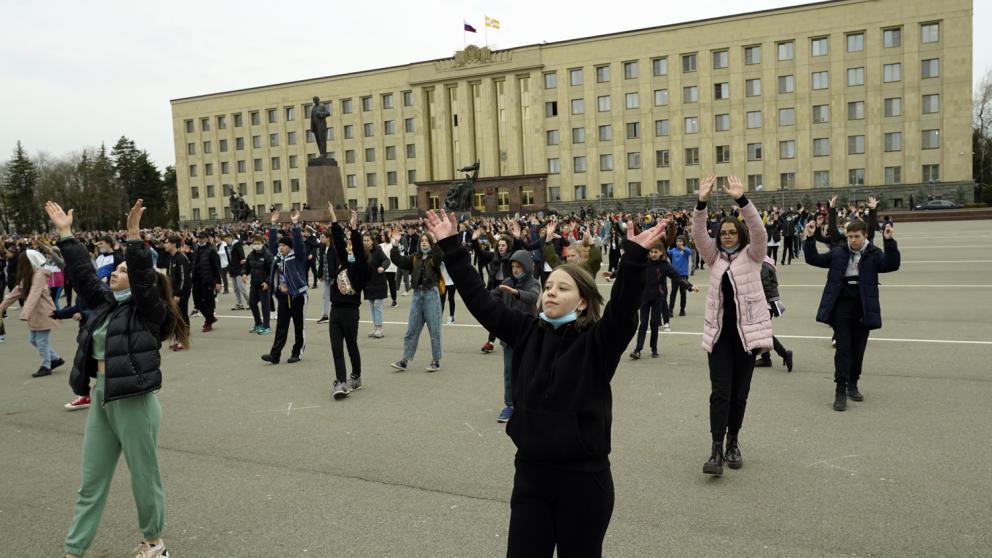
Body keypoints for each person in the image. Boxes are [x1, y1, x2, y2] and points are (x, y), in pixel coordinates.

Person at [426, 207, 667, 557]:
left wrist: (633, 259)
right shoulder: (525, 332)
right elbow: (480, 300)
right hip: (531, 476)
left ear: (582, 302)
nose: (551, 292)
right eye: (549, 286)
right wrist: (451, 245)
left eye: (563, 288)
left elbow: (624, 308)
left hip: (584, 481)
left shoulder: (598, 343)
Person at [47, 198, 189, 558]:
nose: (114, 271)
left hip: (135, 402)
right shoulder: (106, 303)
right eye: (116, 267)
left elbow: (144, 278)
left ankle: (154, 542)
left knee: (144, 478)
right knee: (91, 483)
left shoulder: (149, 312)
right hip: (102, 397)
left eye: (122, 269)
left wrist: (134, 238)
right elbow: (82, 273)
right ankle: (74, 550)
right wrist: (66, 234)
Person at [691, 175, 772, 476]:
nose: (726, 236)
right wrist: (701, 202)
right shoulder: (713, 259)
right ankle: (715, 450)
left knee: (740, 394)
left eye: (730, 231)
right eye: (722, 232)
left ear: (738, 233)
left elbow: (759, 232)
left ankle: (733, 442)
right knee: (720, 393)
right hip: (720, 337)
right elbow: (698, 233)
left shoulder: (753, 256)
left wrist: (742, 201)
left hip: (746, 338)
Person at [804, 218, 900, 411]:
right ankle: (840, 389)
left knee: (858, 349)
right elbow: (814, 259)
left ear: (865, 236)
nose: (853, 240)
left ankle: (853, 383)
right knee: (843, 349)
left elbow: (892, 264)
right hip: (842, 305)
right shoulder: (838, 252)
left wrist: (889, 241)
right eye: (850, 236)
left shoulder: (874, 254)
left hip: (863, 305)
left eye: (857, 236)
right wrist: (809, 238)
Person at [492, 249, 541, 423]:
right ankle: (510, 405)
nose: (515, 269)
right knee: (509, 371)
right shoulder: (506, 282)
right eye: (513, 266)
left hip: (528, 336)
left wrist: (514, 292)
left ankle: (530, 402)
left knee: (530, 370)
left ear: (526, 267)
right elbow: (491, 297)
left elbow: (532, 297)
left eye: (519, 266)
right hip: (509, 336)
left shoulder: (534, 283)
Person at [624, 243, 696, 360]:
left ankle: (654, 348)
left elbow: (676, 276)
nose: (653, 254)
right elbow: (628, 270)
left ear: (661, 253)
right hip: (644, 298)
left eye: (656, 252)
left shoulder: (664, 265)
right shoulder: (644, 263)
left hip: (658, 298)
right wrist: (613, 275)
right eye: (651, 252)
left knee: (654, 324)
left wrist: (689, 286)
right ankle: (638, 349)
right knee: (643, 324)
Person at [0, 249, 65, 377]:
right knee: (33, 340)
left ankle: (46, 365)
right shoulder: (29, 276)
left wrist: (24, 312)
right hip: (36, 314)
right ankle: (56, 359)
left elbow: (35, 293)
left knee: (41, 342)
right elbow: (14, 294)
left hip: (44, 313)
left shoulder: (39, 274)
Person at [326, 207, 369, 399]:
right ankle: (341, 382)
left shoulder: (361, 270)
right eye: (348, 247)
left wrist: (353, 229)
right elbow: (338, 242)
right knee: (336, 348)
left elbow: (358, 250)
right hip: (335, 310)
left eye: (352, 247)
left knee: (351, 345)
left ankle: (356, 377)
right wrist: (334, 221)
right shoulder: (343, 263)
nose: (349, 249)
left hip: (350, 312)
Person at [389, 230, 444, 372]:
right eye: (422, 241)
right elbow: (399, 261)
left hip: (431, 294)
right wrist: (395, 244)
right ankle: (404, 360)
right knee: (411, 329)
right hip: (417, 295)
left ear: (431, 243)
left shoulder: (434, 257)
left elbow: (439, 257)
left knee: (434, 330)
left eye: (427, 240)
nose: (424, 242)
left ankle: (436, 360)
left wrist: (437, 243)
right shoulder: (415, 258)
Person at [261, 210, 309, 364]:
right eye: (280, 245)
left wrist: (295, 225)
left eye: (283, 245)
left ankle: (297, 352)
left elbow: (299, 243)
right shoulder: (278, 257)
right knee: (281, 326)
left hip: (298, 295)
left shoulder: (297, 255)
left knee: (298, 326)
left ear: (290, 247)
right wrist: (273, 225)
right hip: (283, 296)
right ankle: (275, 354)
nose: (280, 248)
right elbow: (272, 244)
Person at [754, 256, 794, 371]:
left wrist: (758, 301)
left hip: (764, 304)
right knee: (761, 332)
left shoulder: (762, 265)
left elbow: (765, 285)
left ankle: (785, 354)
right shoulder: (767, 262)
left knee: (762, 332)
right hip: (768, 303)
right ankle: (766, 358)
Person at [163, 235, 192, 350]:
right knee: (174, 316)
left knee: (182, 315)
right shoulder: (172, 257)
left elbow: (184, 279)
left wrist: (178, 294)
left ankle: (184, 340)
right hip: (172, 292)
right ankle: (178, 338)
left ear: (174, 244)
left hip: (180, 293)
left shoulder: (180, 258)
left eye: (166, 242)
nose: (165, 244)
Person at [190, 230, 222, 332]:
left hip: (208, 279)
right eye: (199, 238)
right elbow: (194, 263)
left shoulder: (212, 250)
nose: (200, 239)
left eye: (202, 238)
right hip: (197, 279)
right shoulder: (196, 248)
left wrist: (218, 282)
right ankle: (211, 318)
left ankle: (208, 322)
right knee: (197, 302)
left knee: (208, 302)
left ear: (207, 238)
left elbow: (217, 267)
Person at [243, 235, 274, 335]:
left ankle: (266, 326)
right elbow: (246, 266)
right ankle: (258, 323)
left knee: (265, 306)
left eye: (258, 243)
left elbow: (272, 271)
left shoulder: (268, 255)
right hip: (254, 284)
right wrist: (244, 273)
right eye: (255, 243)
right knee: (252, 303)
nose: (256, 245)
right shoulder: (251, 255)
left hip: (264, 285)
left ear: (263, 243)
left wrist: (267, 282)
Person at [363, 231, 390, 339]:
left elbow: (386, 260)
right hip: (368, 283)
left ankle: (379, 328)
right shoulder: (362, 252)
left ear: (372, 241)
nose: (365, 242)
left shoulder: (378, 250)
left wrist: (383, 267)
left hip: (379, 282)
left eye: (367, 240)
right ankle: (375, 327)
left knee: (377, 304)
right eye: (364, 240)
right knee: (371, 305)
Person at [667, 237, 694, 317]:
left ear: (683, 242)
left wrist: (683, 248)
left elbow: (690, 252)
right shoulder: (673, 250)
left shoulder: (686, 250)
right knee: (673, 293)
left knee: (683, 293)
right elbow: (666, 252)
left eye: (680, 241)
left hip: (683, 275)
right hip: (674, 275)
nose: (678, 243)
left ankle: (682, 309)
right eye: (677, 241)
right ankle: (670, 310)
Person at [224, 232, 247, 310]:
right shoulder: (226, 247)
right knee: (235, 288)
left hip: (239, 269)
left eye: (227, 240)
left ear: (231, 238)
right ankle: (239, 304)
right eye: (225, 240)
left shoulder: (237, 245)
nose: (226, 241)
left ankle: (249, 303)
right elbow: (229, 259)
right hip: (232, 269)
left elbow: (243, 258)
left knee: (241, 287)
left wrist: (244, 270)